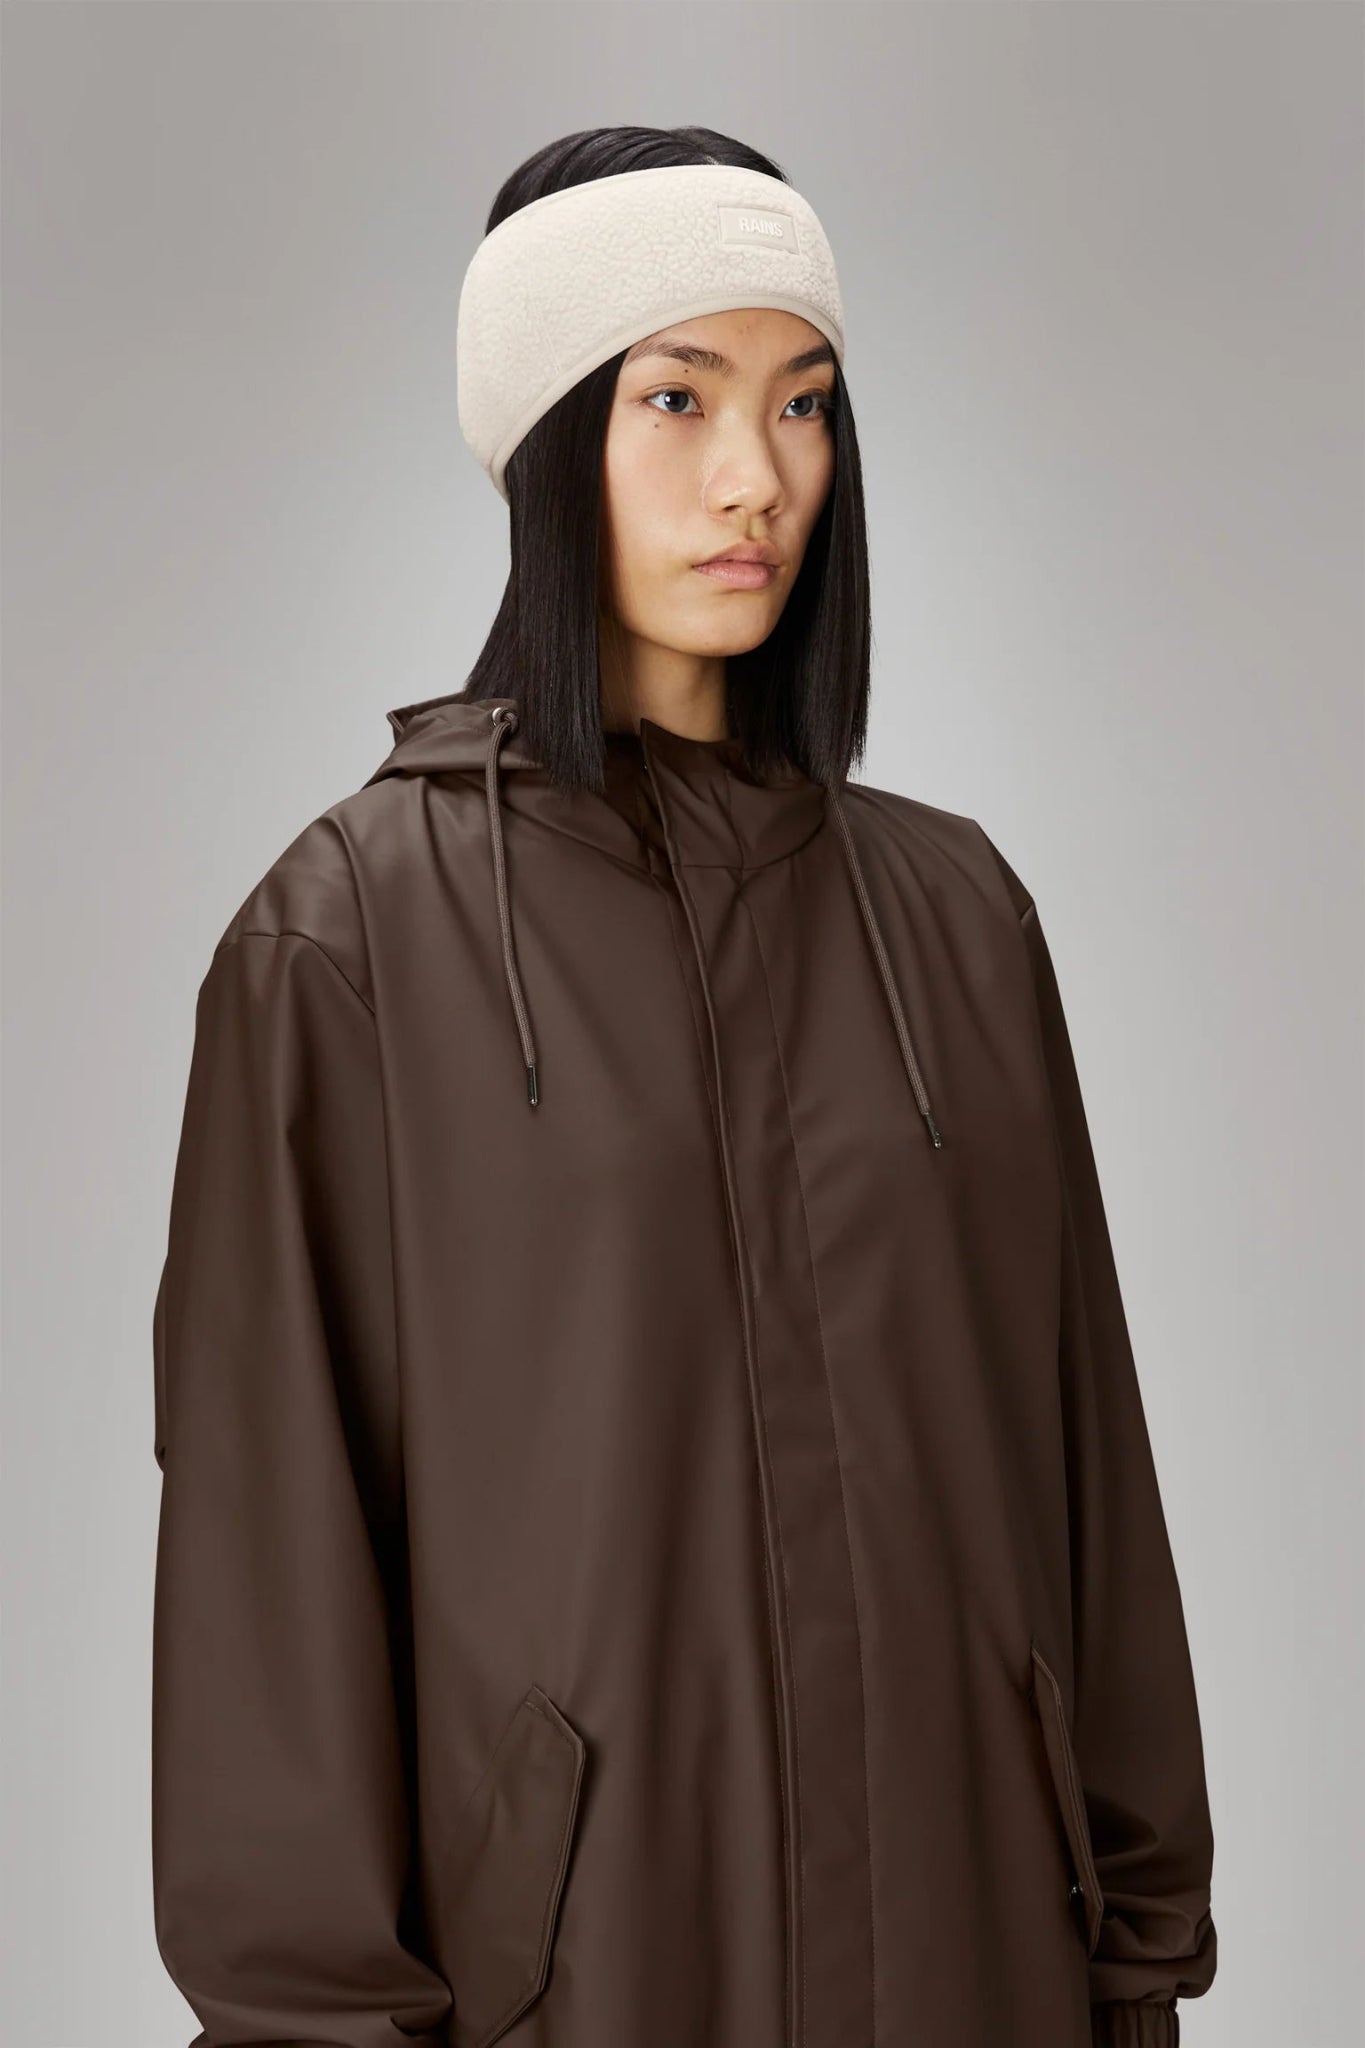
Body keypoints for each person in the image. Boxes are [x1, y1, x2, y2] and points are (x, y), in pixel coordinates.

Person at [149, 126, 1218, 2048]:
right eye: (677, 397)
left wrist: (1133, 1972)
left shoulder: (955, 916)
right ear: (548, 434)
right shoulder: (350, 941)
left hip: (977, 1980)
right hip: (600, 1994)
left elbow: (1093, 1498)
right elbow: (269, 1579)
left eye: (804, 403)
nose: (757, 479)